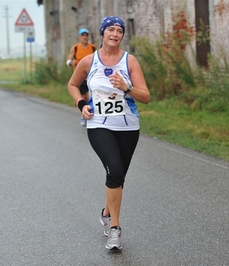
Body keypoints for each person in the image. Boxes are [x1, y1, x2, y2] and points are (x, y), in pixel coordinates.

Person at [67, 16, 150, 250]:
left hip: (128, 126)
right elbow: (73, 85)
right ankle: (115, 228)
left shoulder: (129, 61)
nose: (115, 33)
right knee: (114, 170)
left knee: (118, 176)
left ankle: (105, 211)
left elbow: (146, 96)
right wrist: (81, 104)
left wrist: (127, 87)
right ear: (102, 34)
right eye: (111, 29)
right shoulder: (88, 61)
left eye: (120, 30)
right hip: (99, 124)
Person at [66, 28, 97, 126]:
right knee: (82, 98)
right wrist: (71, 62)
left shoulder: (92, 48)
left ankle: (90, 115)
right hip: (80, 78)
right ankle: (84, 115)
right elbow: (68, 61)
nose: (85, 37)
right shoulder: (75, 48)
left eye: (86, 35)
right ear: (79, 37)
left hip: (91, 78)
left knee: (90, 97)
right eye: (83, 35)